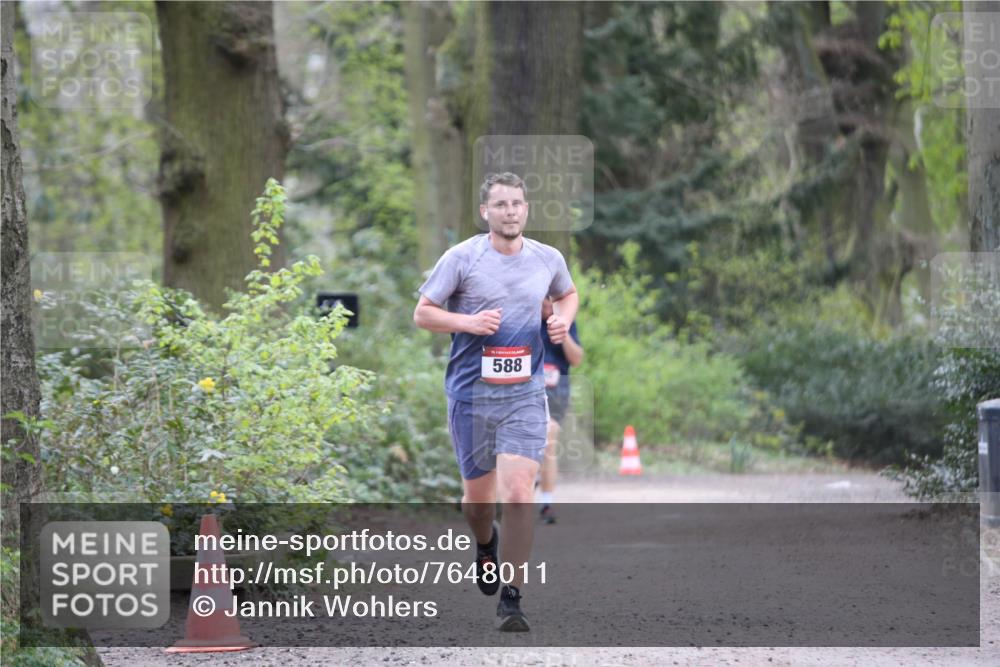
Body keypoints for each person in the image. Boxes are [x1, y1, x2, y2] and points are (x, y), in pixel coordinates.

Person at [413, 172, 578, 632]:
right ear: (485, 212)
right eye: (501, 204)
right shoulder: (462, 258)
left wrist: (562, 322)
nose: (511, 211)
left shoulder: (547, 258)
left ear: (526, 209)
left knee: (519, 493)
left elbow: (567, 294)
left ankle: (513, 595)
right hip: (470, 394)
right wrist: (467, 323)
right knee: (478, 503)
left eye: (517, 203)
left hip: (525, 394)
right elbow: (423, 312)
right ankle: (485, 543)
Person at [538, 297, 583, 524]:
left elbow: (577, 359)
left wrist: (563, 332)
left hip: (556, 392)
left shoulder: (566, 321)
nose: (546, 306)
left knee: (549, 437)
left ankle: (546, 503)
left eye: (550, 301)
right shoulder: (525, 320)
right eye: (542, 301)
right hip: (524, 391)